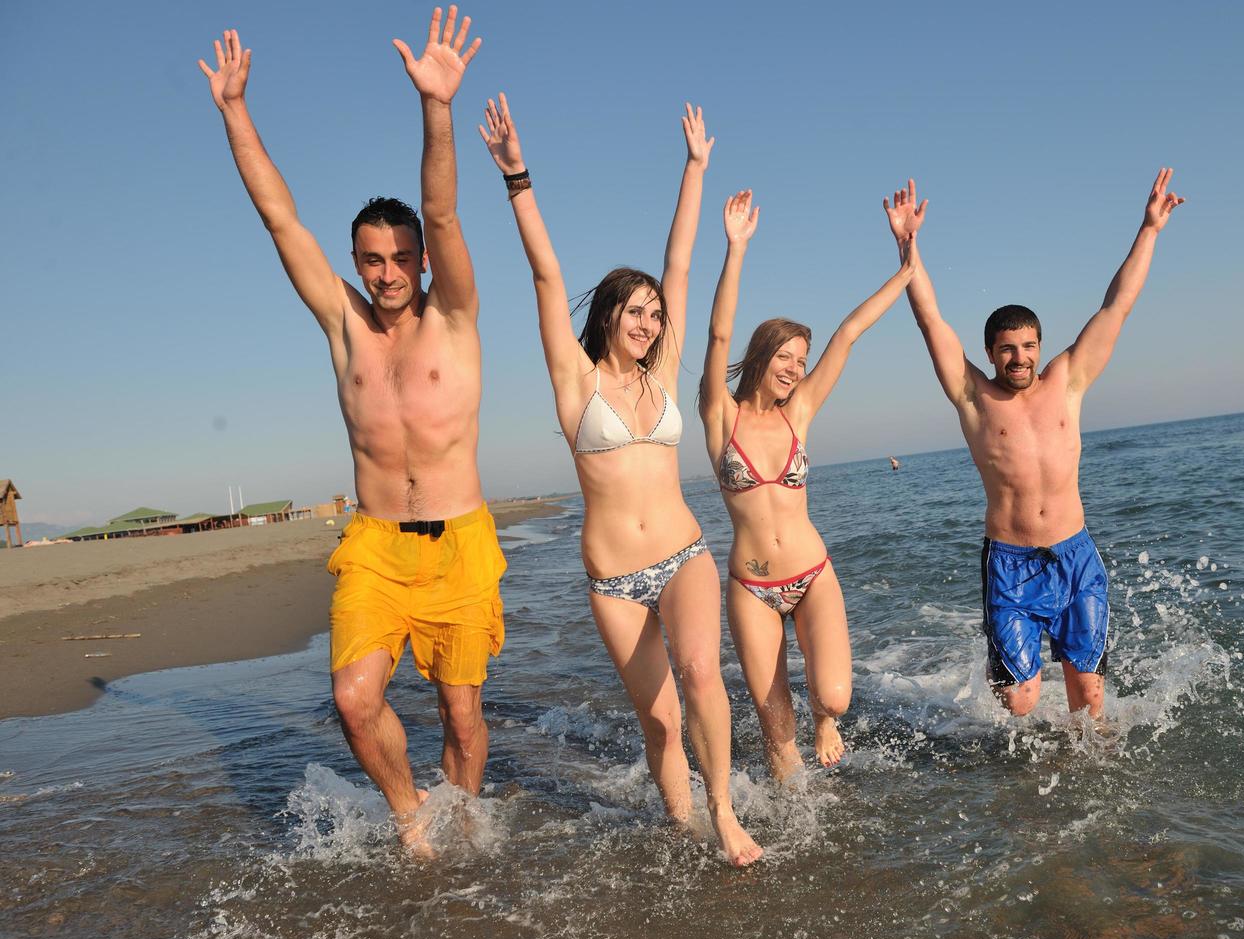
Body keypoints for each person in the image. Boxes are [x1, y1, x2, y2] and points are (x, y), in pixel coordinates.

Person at [199, 8, 505, 854]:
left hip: (460, 544)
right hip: (375, 546)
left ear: (423, 262)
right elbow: (279, 219)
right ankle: (413, 816)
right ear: (357, 262)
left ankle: (467, 820)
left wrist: (437, 108)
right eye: (372, 259)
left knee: (462, 711)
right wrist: (235, 113)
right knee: (351, 700)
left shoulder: (454, 313)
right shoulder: (344, 324)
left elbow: (442, 212)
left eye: (402, 258)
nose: (389, 273)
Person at [478, 95, 762, 866]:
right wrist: (516, 177)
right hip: (612, 579)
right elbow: (546, 274)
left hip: (682, 556)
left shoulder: (663, 372)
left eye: (655, 316)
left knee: (702, 672)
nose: (648, 322)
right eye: (635, 312)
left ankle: (725, 813)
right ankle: (681, 824)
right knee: (660, 718)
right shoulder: (575, 381)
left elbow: (681, 259)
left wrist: (695, 167)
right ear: (607, 315)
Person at [885, 172, 1185, 719]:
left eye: (1028, 346)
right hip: (1011, 563)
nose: (1019, 358)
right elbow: (930, 319)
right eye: (1006, 349)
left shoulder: (1067, 382)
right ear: (990, 353)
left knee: (1089, 697)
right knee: (1021, 703)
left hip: (1076, 554)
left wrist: (1149, 229)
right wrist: (908, 246)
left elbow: (1117, 306)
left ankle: (1089, 782)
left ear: (1040, 346)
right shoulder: (974, 398)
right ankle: (1010, 690)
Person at [699, 190, 915, 779]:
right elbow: (718, 338)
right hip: (753, 589)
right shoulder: (721, 416)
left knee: (836, 697)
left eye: (802, 359)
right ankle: (795, 828)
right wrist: (735, 249)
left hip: (813, 573)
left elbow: (848, 333)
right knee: (777, 734)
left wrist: (905, 268)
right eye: (787, 357)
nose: (796, 368)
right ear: (762, 353)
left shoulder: (799, 415)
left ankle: (827, 718)